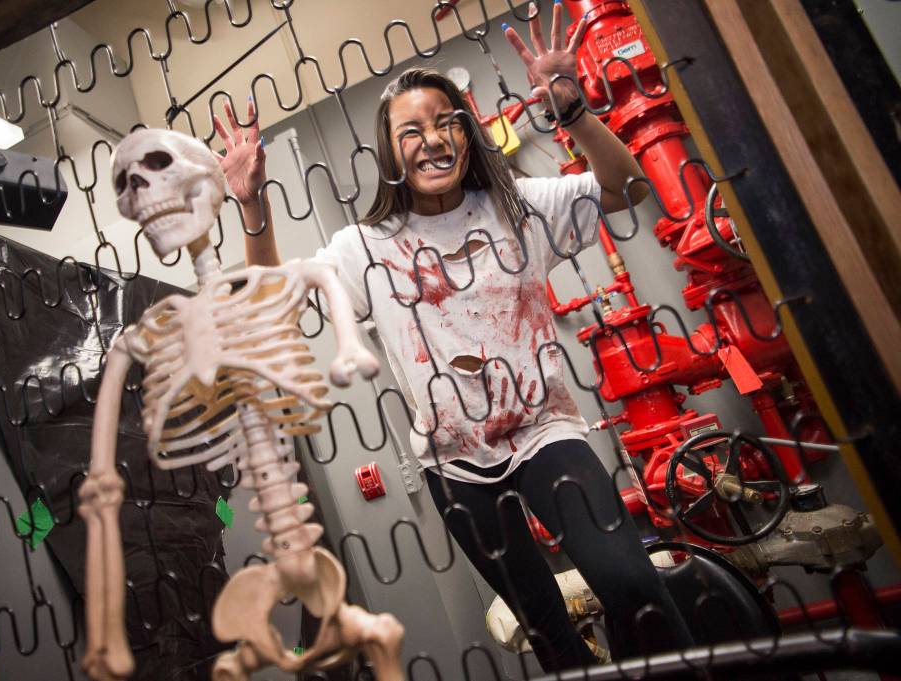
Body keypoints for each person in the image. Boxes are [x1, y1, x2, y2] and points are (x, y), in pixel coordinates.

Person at [213, 4, 693, 671]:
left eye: (446, 124)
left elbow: (630, 186)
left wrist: (573, 109)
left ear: (467, 137)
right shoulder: (364, 247)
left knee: (633, 586)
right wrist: (254, 205)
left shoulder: (518, 208)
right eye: (411, 130)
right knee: (550, 634)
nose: (432, 139)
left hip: (546, 434)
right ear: (390, 150)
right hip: (453, 466)